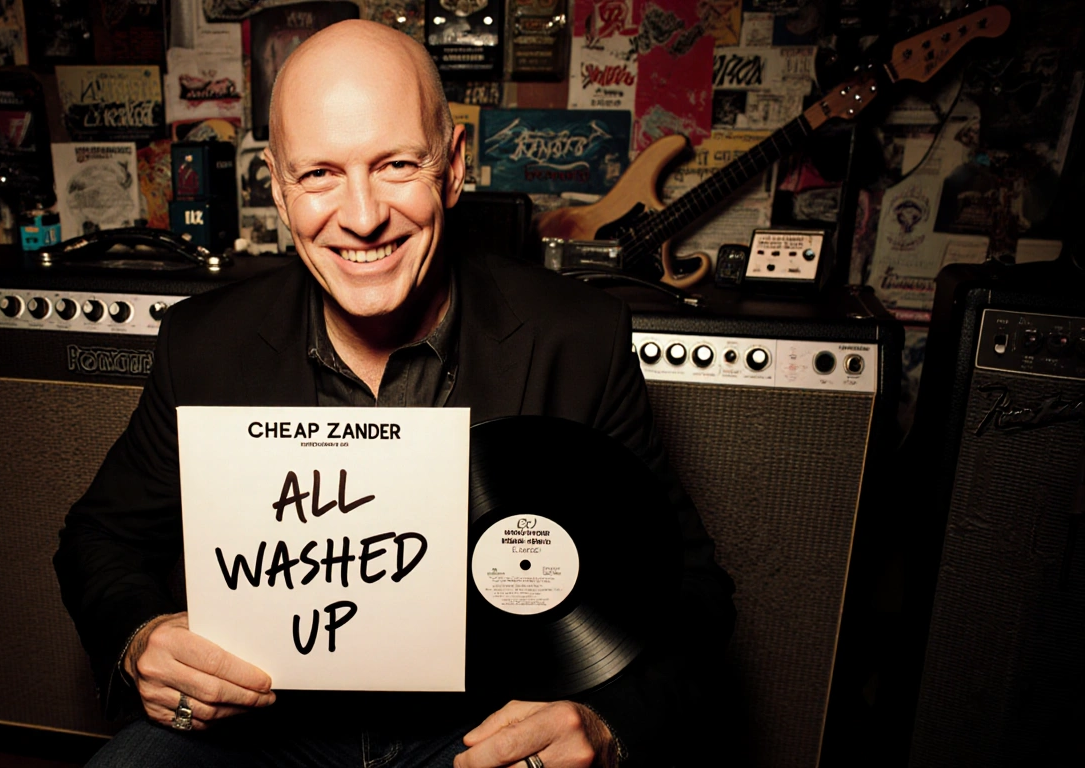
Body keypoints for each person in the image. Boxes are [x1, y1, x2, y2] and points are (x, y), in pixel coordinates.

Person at [54, 19, 734, 768]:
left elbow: (690, 593)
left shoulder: (580, 339)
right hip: (264, 722)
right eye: (318, 174)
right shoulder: (201, 343)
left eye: (397, 165)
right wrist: (140, 640)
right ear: (279, 190)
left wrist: (606, 723)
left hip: (482, 730)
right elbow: (100, 539)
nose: (363, 215)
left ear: (453, 166)